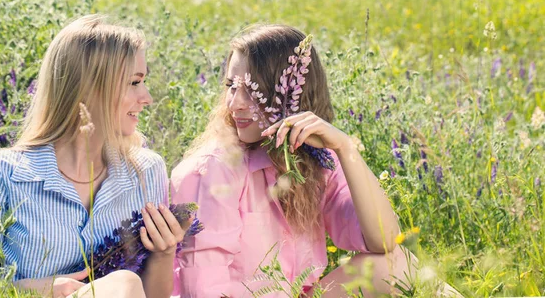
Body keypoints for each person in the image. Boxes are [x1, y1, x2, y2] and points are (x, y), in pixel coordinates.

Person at [170, 24, 415, 297]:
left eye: (252, 90)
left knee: (397, 265)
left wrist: (346, 149)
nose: (235, 103)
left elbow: (384, 241)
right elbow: (202, 289)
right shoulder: (212, 170)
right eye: (230, 86)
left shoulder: (315, 162)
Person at [0, 15, 186, 298]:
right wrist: (39, 290)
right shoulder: (2, 174)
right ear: (90, 87)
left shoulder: (147, 171)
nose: (147, 97)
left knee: (126, 284)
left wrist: (165, 253)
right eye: (134, 82)